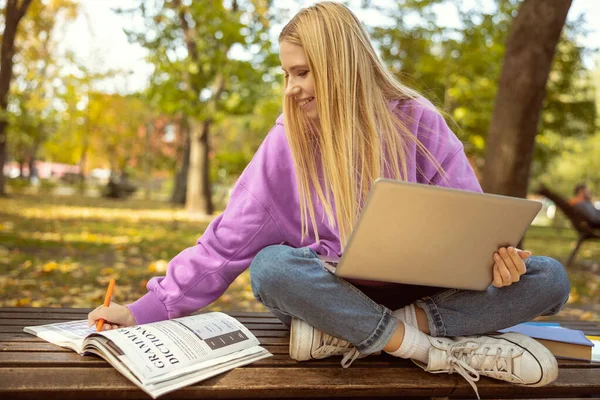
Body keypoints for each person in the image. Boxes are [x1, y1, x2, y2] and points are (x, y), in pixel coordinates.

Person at [88, 2, 570, 397]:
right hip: (328, 294)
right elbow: (224, 246)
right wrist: (142, 311)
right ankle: (431, 349)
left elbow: (472, 224)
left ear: (340, 65)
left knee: (548, 277)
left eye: (302, 73)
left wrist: (499, 260)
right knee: (272, 268)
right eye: (286, 75)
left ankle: (366, 333)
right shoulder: (287, 143)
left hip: (422, 293)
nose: (291, 89)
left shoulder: (418, 122)